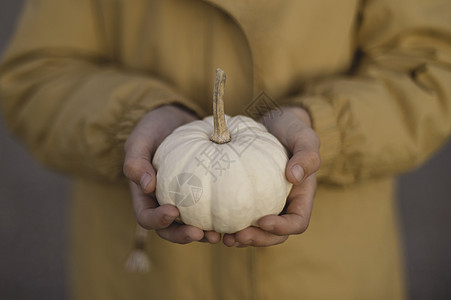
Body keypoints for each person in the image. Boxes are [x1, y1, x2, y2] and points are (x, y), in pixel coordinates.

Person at [1, 0, 450, 299]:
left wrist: (323, 125)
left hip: (326, 277)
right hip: (144, 283)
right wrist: (132, 120)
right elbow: (35, 76)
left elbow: (432, 68)